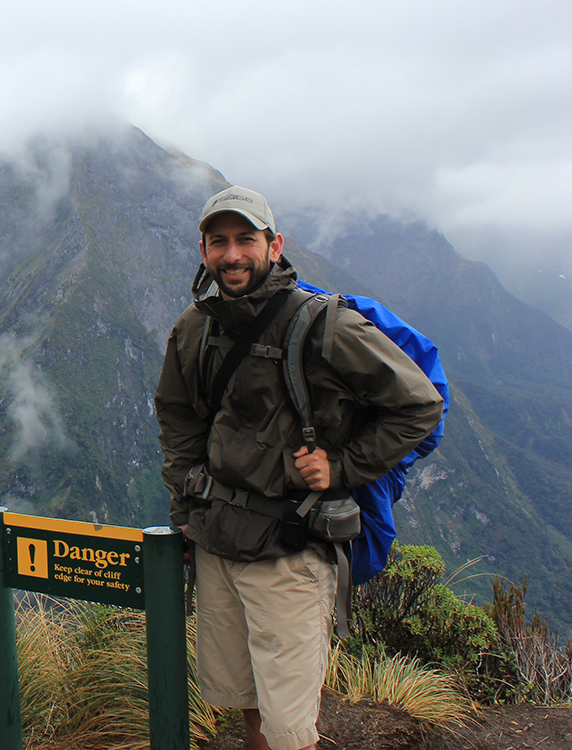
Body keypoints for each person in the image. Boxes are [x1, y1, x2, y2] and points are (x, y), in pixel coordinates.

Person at [153, 186, 443, 750]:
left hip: (290, 552)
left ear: (274, 244)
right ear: (204, 252)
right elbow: (178, 418)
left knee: (289, 729)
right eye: (219, 242)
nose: (232, 255)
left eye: (245, 240)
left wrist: (342, 468)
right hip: (217, 543)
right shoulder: (196, 327)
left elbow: (419, 405)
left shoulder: (323, 325)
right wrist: (185, 511)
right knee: (247, 703)